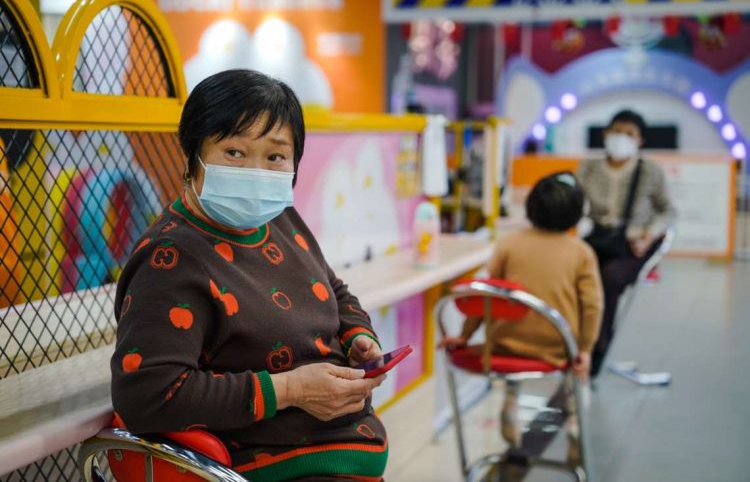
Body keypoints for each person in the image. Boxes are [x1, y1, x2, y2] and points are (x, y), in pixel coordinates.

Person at [110, 70, 389, 481]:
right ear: (192, 157)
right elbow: (146, 395)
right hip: (262, 464)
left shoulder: (282, 219)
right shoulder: (170, 258)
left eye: (275, 156)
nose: (257, 171)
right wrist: (291, 390)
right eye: (235, 153)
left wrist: (358, 337)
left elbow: (332, 289)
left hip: (340, 445)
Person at [439, 172, 602, 449]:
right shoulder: (581, 252)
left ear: (531, 206)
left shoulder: (509, 244)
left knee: (508, 332)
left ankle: (511, 399)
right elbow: (592, 306)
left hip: (502, 347)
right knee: (577, 372)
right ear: (577, 213)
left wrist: (465, 336)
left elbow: (485, 298)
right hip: (556, 349)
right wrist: (584, 350)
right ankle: (573, 414)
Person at [578, 109, 676, 377]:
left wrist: (648, 235)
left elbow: (667, 211)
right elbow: (578, 204)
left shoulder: (650, 171)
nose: (621, 138)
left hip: (634, 244)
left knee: (608, 279)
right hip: (596, 239)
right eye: (616, 131)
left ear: (640, 140)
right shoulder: (589, 167)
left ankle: (598, 345)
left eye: (629, 134)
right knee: (577, 273)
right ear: (605, 133)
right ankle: (575, 342)